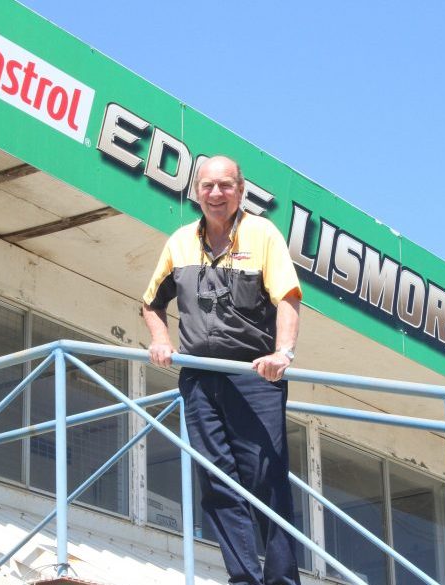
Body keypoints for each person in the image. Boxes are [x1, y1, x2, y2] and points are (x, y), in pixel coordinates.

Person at [142, 155, 303, 585]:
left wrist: (282, 354)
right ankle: (243, 579)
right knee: (215, 481)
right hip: (198, 378)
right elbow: (151, 302)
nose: (216, 194)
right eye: (208, 186)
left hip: (254, 376)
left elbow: (288, 298)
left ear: (241, 191)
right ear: (196, 191)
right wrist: (160, 340)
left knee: (265, 480)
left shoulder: (262, 234)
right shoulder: (179, 242)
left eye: (226, 186)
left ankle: (283, 580)